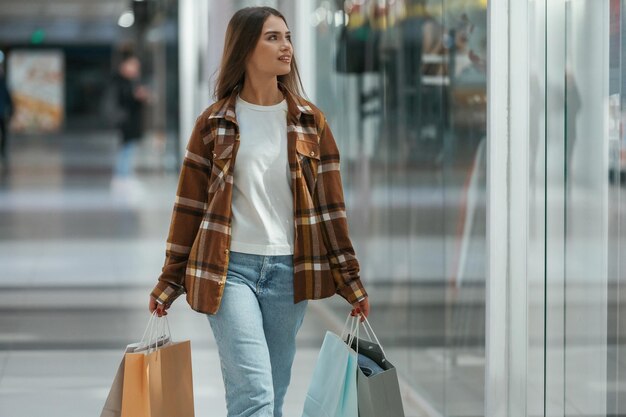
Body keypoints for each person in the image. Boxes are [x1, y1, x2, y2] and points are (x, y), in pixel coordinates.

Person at [148, 6, 370, 417]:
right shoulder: (213, 123)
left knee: (274, 396)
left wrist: (350, 281)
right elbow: (189, 209)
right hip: (228, 271)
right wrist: (169, 281)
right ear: (245, 48)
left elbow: (331, 210)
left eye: (287, 37)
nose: (286, 46)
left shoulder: (310, 122)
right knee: (255, 396)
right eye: (273, 37)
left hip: (291, 271)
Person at [110, 53, 150, 192]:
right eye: (132, 65)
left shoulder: (132, 81)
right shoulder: (121, 82)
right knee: (126, 148)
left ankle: (124, 174)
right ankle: (122, 175)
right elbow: (123, 101)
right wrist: (136, 96)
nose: (135, 68)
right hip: (126, 121)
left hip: (130, 120)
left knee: (128, 148)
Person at [0, 65, 14, 166]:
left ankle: (2, 151)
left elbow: (8, 98)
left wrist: (11, 110)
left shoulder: (3, 84)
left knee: (4, 133)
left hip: (1, 113)